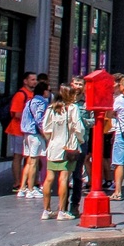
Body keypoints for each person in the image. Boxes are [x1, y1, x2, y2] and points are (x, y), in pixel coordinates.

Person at [40, 84, 83, 220]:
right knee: (64, 178)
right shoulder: (72, 108)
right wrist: (80, 141)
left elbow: (45, 128)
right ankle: (62, 211)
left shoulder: (51, 108)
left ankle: (46, 210)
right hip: (67, 147)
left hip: (53, 146)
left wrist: (51, 139)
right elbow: (79, 128)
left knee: (49, 178)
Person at [17, 78, 49, 199]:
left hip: (26, 133)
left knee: (29, 161)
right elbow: (39, 119)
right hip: (35, 134)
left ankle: (22, 188)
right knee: (34, 162)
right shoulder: (41, 102)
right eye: (48, 90)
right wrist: (45, 134)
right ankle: (30, 189)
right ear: (44, 91)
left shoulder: (29, 102)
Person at [67, 74, 92, 218]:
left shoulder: (86, 103)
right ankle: (62, 206)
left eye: (80, 84)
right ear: (71, 84)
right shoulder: (65, 101)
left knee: (77, 175)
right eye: (75, 83)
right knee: (64, 175)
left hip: (81, 141)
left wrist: (80, 120)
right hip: (65, 142)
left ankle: (74, 205)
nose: (77, 86)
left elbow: (93, 121)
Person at [7, 72, 36, 195]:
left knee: (29, 158)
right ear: (25, 81)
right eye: (32, 79)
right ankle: (17, 183)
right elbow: (16, 113)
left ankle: (27, 183)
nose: (35, 82)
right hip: (17, 130)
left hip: (28, 131)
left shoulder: (34, 95)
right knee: (18, 156)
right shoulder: (20, 95)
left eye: (35, 80)